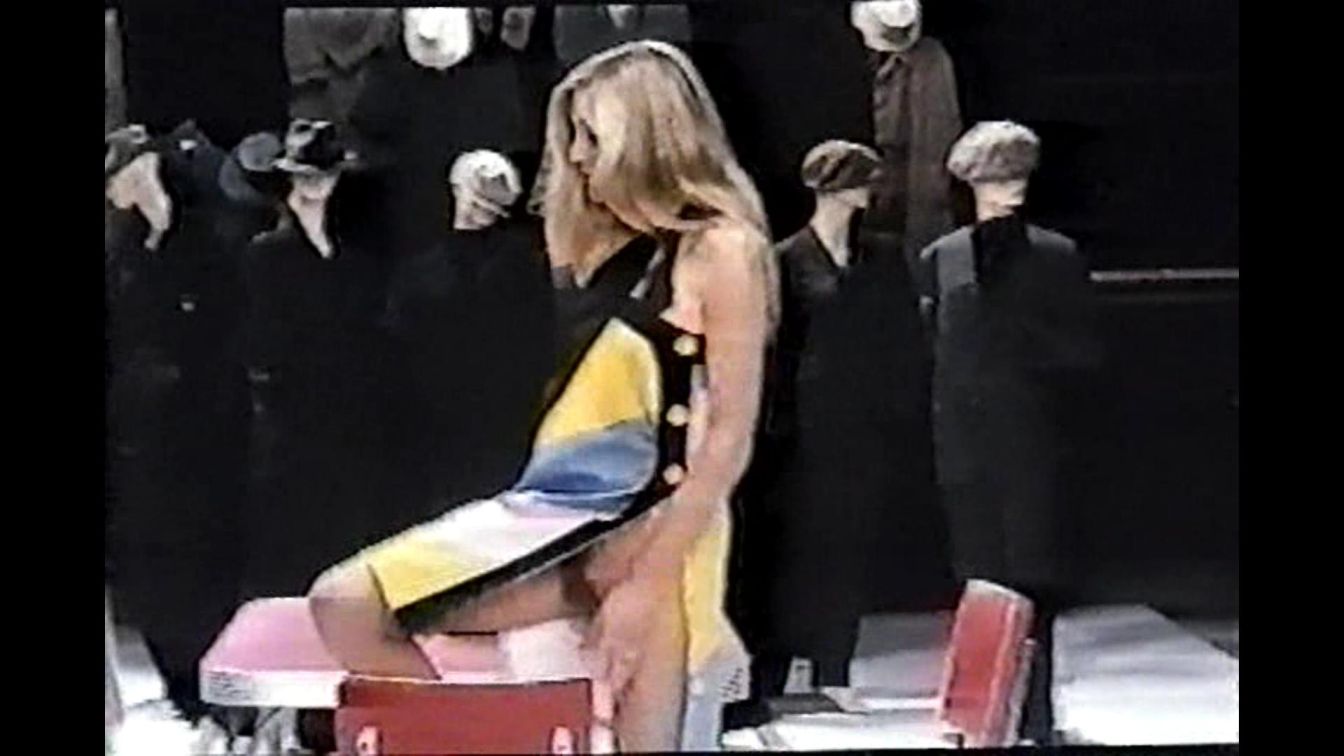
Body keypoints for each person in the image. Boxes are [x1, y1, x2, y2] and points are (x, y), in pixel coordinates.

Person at [308, 40, 776, 752]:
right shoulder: (603, 247)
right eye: (573, 138)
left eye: (591, 136)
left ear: (647, 133)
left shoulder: (720, 250)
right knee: (345, 602)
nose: (578, 157)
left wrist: (649, 580)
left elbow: (729, 436)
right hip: (550, 511)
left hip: (648, 526)